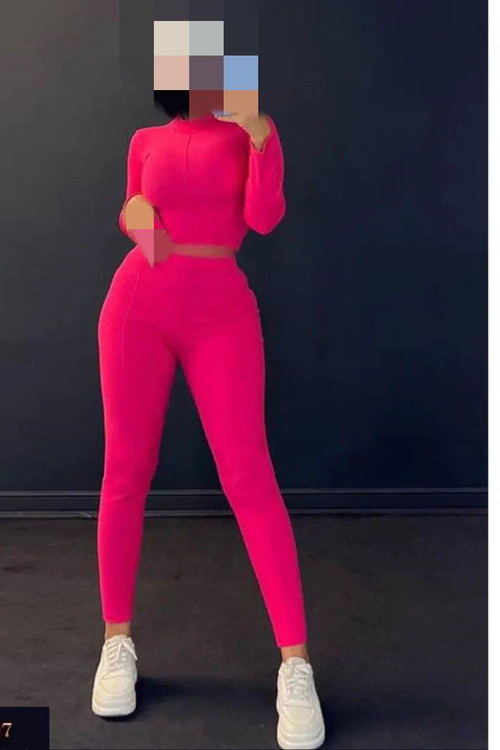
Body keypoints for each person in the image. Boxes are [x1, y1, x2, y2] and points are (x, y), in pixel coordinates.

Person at [91, 89, 326, 750]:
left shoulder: (247, 135)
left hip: (221, 311)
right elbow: (132, 209)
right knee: (125, 472)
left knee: (249, 476)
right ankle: (115, 642)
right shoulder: (144, 141)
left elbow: (264, 217)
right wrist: (143, 227)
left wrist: (261, 136)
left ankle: (296, 666)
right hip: (137, 306)